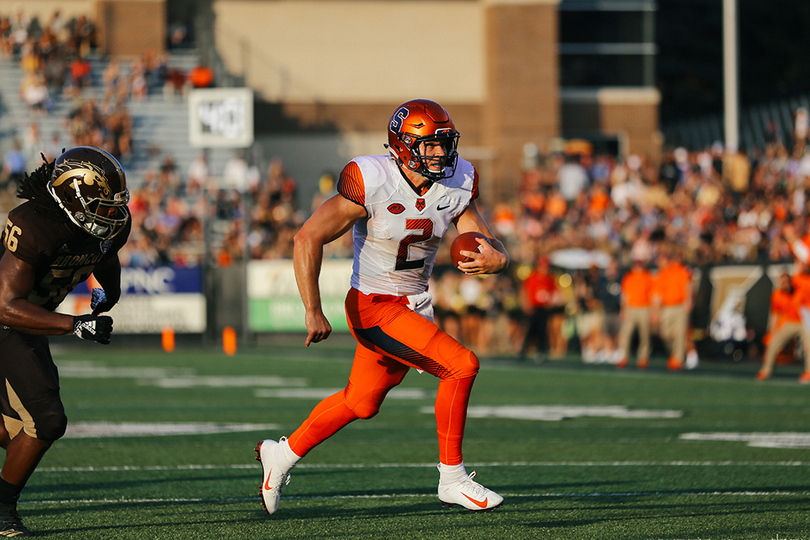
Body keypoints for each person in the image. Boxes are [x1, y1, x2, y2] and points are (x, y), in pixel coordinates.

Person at [255, 99, 508, 514]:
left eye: (444, 143)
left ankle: (280, 455)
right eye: (430, 145)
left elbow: (482, 240)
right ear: (403, 146)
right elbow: (307, 238)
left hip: (412, 304)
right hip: (373, 303)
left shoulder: (459, 180)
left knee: (362, 402)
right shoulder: (372, 178)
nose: (441, 153)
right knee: (461, 365)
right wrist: (312, 308)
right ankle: (452, 477)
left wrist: (500, 258)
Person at [0, 147, 130, 536]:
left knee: (10, 431)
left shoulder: (106, 226)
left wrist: (111, 292)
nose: (112, 214)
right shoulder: (34, 224)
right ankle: (2, 508)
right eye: (102, 206)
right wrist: (74, 324)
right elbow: (5, 306)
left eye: (114, 206)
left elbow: (104, 257)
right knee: (46, 421)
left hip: (26, 325)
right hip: (8, 321)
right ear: (73, 197)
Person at [758, 271, 809, 381]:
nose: (786, 284)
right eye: (783, 281)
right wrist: (772, 330)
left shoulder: (799, 292)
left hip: (803, 322)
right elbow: (775, 314)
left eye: (787, 281)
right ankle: (766, 370)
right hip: (789, 323)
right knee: (773, 343)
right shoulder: (777, 295)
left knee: (808, 345)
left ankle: (808, 372)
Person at [651, 248, 693, 370]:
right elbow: (657, 295)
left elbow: (687, 285)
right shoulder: (660, 274)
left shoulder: (679, 270)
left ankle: (678, 359)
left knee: (680, 333)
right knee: (666, 334)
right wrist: (655, 312)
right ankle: (674, 355)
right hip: (666, 307)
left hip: (679, 305)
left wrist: (688, 301)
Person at [519, 255, 561, 361]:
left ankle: (541, 351)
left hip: (544, 308)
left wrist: (552, 302)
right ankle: (524, 350)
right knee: (530, 330)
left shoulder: (550, 278)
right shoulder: (533, 277)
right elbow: (525, 290)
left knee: (543, 330)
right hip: (533, 307)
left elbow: (554, 292)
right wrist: (526, 304)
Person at [617, 257, 653, 369]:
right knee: (626, 334)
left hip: (644, 307)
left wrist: (653, 311)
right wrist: (623, 310)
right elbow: (625, 295)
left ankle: (643, 357)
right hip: (631, 307)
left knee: (645, 334)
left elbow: (653, 294)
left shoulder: (648, 276)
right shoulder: (628, 277)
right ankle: (623, 356)